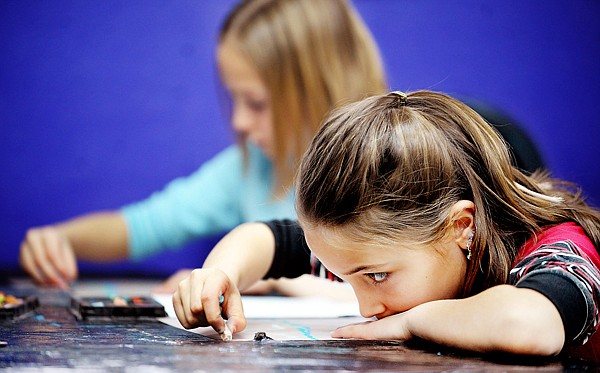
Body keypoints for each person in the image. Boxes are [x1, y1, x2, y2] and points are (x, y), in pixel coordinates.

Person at [172, 90, 600, 359]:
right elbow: (268, 239)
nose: (365, 308)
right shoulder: (394, 249)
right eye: (346, 276)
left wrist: (410, 322)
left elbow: (530, 326)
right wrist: (219, 274)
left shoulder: (561, 248)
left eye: (376, 276)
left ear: (461, 227)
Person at [18, 0, 387, 290]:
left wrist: (268, 277)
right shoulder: (252, 167)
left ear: (317, 87)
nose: (239, 122)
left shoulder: (398, 166)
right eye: (235, 99)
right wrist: (59, 240)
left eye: (257, 103)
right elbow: (144, 225)